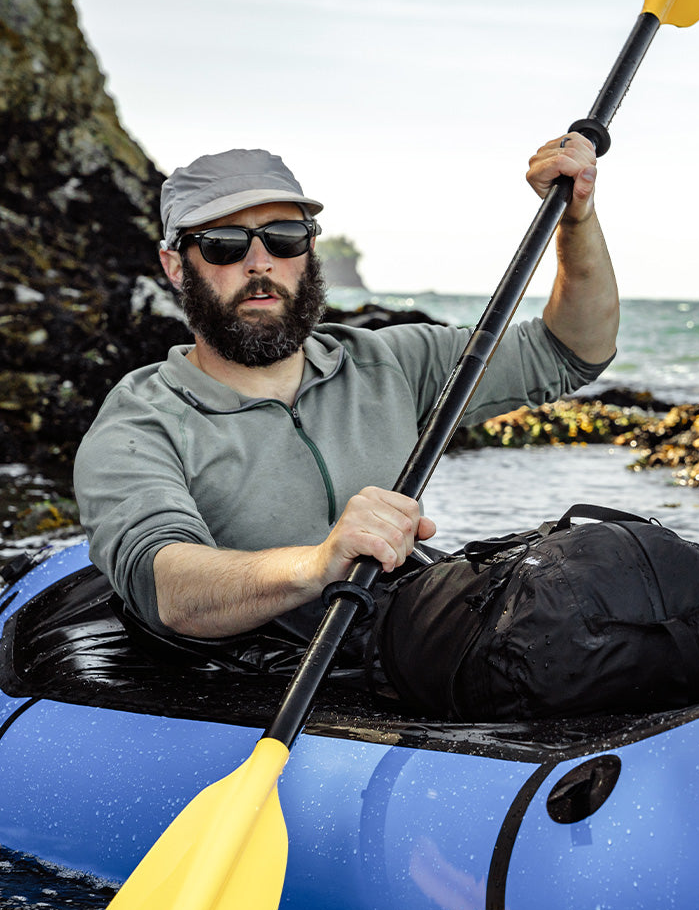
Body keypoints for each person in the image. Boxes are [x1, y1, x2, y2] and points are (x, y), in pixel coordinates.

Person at [73, 134, 618, 642]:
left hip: (390, 651)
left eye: (284, 238)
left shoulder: (389, 362)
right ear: (174, 266)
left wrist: (576, 220)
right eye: (223, 245)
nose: (260, 263)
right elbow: (167, 587)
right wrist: (318, 563)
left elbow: (569, 351)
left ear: (309, 249)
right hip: (248, 679)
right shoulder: (139, 422)